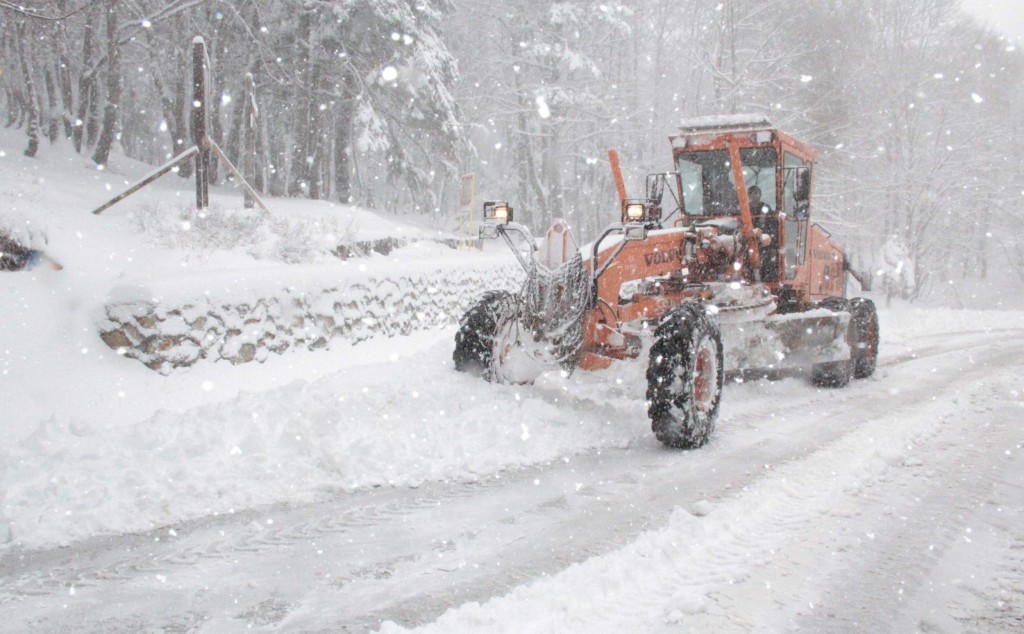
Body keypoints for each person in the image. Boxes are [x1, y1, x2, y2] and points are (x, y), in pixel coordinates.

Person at [747, 185, 779, 280]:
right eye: (752, 193)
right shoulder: (745, 209)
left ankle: (763, 277)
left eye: (757, 193)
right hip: (748, 239)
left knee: (765, 260)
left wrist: (772, 242)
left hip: (763, 241)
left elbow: (773, 225)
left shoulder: (765, 208)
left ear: (760, 195)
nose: (754, 196)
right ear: (748, 195)